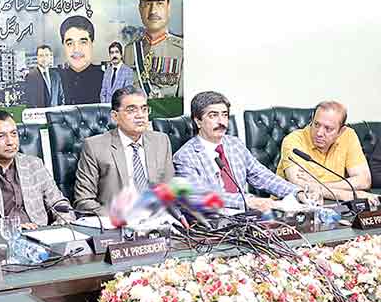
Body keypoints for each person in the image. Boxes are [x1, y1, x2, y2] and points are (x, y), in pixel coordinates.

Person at [173, 92, 303, 211]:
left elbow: (262, 176)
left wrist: (297, 192)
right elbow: (197, 196)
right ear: (198, 121)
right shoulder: (185, 156)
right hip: (212, 220)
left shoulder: (235, 144)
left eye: (224, 115)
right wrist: (247, 201)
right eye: (213, 115)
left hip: (245, 217)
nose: (221, 121)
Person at [0, 110, 72, 229]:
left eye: (13, 134)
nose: (10, 142)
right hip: (2, 237)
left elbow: (58, 203)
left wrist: (62, 223)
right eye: (1, 136)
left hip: (40, 232)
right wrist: (12, 229)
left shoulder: (34, 164)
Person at [75, 87, 174, 215]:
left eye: (144, 109)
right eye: (131, 110)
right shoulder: (94, 147)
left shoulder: (161, 141)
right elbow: (83, 201)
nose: (140, 115)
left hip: (156, 219)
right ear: (115, 116)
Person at [277, 101, 377, 202]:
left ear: (341, 131)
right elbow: (299, 185)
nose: (319, 133)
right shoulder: (293, 140)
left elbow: (364, 181)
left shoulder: (348, 135)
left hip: (334, 203)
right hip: (297, 204)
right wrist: (346, 195)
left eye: (328, 129)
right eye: (316, 124)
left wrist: (318, 185)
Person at [124, 0, 183, 99]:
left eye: (159, 3)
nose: (153, 11)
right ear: (140, 9)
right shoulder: (130, 50)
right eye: (147, 4)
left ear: (168, 7)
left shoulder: (181, 50)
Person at [58, 15, 104, 105]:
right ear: (63, 45)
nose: (76, 50)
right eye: (70, 43)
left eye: (83, 42)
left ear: (92, 43)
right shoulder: (55, 81)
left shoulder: (105, 79)